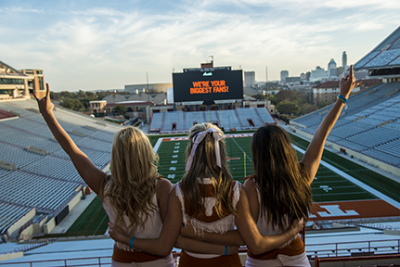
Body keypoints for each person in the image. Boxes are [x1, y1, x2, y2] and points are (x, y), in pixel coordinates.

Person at [34, 84, 223, 267]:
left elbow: (73, 151)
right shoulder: (161, 187)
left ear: (116, 156)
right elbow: (169, 242)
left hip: (121, 261)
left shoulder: (105, 185)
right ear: (146, 153)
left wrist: (48, 114)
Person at [109, 123, 303, 267]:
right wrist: (223, 247)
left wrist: (197, 234)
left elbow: (174, 240)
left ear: (191, 153)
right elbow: (243, 239)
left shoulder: (177, 192)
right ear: (221, 151)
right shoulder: (236, 190)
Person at [241, 65, 361, 267]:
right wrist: (342, 97)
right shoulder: (302, 176)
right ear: (286, 149)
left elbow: (252, 237)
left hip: (261, 261)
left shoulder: (252, 187)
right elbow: (321, 134)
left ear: (258, 155)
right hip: (296, 258)